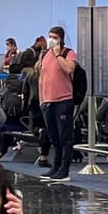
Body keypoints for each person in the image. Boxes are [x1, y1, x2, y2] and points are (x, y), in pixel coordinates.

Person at [36, 26, 78, 180]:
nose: (51, 40)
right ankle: (56, 166)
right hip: (48, 102)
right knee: (54, 137)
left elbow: (69, 69)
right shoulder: (45, 55)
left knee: (65, 137)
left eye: (54, 37)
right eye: (50, 36)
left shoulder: (68, 53)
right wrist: (42, 100)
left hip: (63, 101)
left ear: (61, 39)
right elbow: (42, 78)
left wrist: (58, 55)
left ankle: (64, 169)